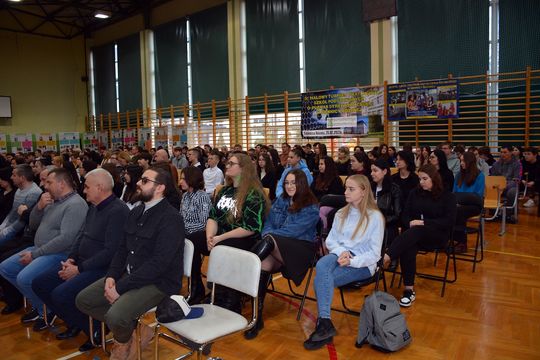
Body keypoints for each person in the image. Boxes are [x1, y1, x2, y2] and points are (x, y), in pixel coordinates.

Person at [76, 167, 185, 359]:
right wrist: (111, 276)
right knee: (84, 300)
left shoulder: (171, 218)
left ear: (160, 188)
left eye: (144, 181)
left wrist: (120, 287)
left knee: (115, 316)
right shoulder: (137, 211)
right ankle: (135, 330)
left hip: (158, 283)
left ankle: (122, 343)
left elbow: (158, 265)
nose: (137, 183)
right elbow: (122, 249)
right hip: (131, 275)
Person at [31, 169, 129, 351]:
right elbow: (81, 237)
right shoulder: (93, 207)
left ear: (100, 188)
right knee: (40, 283)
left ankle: (95, 329)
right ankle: (75, 321)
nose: (84, 190)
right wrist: (71, 259)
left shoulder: (118, 211)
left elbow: (111, 252)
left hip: (103, 269)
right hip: (83, 264)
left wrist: (79, 269)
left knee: (61, 294)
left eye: (87, 186)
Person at [0, 168, 88, 330]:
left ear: (61, 184)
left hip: (59, 253)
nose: (44, 186)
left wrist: (34, 255)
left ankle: (45, 311)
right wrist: (39, 208)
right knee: (6, 268)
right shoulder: (52, 200)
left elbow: (66, 239)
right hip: (40, 248)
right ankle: (41, 305)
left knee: (24, 278)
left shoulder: (75, 204)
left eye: (49, 182)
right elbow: (33, 225)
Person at [304, 175, 384, 350]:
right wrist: (342, 253)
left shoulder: (375, 217)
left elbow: (375, 254)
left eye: (351, 189)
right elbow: (331, 241)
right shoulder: (341, 213)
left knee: (322, 278)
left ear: (363, 192)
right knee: (322, 264)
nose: (345, 192)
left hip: (362, 264)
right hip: (340, 255)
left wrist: (352, 261)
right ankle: (325, 322)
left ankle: (324, 324)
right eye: (346, 188)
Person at [190, 153, 270, 312]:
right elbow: (213, 217)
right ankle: (196, 289)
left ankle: (229, 298)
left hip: (244, 239)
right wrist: (209, 237)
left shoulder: (254, 193)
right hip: (220, 236)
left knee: (223, 247)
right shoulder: (224, 191)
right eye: (227, 163)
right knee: (191, 241)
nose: (227, 165)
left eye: (231, 163)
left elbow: (251, 227)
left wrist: (219, 238)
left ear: (243, 169)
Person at [246, 170, 319, 339]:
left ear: (302, 183)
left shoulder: (311, 207)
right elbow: (268, 223)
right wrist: (269, 236)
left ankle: (243, 271)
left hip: (300, 250)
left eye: (293, 182)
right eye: (287, 183)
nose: (289, 186)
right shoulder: (281, 200)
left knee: (269, 240)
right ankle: (257, 317)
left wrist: (271, 237)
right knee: (264, 264)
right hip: (277, 244)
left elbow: (293, 231)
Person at [383, 164, 457, 307]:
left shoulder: (447, 196)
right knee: (408, 245)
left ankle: (387, 256)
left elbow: (448, 221)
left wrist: (423, 223)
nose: (421, 182)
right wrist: (410, 222)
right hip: (414, 235)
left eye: (425, 179)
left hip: (438, 236)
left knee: (417, 230)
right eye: (420, 178)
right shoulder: (415, 193)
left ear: (434, 179)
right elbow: (405, 215)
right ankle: (408, 290)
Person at [178, 166, 212, 304]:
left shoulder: (202, 197)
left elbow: (204, 223)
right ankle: (195, 289)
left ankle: (196, 289)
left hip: (203, 236)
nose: (180, 181)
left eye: (183, 178)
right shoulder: (185, 196)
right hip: (189, 235)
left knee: (189, 243)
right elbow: (181, 217)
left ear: (192, 179)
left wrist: (184, 229)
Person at [0, 164, 42, 245]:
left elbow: (22, 220)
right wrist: (2, 226)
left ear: (22, 178)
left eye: (14, 175)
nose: (11, 177)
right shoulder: (19, 189)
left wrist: (5, 232)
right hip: (11, 227)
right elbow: (12, 213)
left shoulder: (34, 192)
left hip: (19, 232)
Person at [453, 152, 485, 253]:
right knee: (452, 210)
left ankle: (462, 243)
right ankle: (451, 239)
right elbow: (454, 192)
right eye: (460, 160)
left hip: (474, 206)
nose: (461, 163)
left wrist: (461, 200)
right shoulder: (459, 175)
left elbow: (477, 196)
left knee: (459, 211)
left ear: (469, 162)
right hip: (459, 204)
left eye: (463, 161)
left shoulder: (480, 175)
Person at [371, 159, 402, 249]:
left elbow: (397, 214)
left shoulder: (394, 189)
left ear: (384, 171)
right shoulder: (370, 187)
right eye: (371, 170)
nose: (372, 173)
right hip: (370, 225)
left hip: (387, 226)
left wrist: (380, 221)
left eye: (375, 170)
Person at [490, 145, 521, 218]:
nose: (502, 154)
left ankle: (508, 214)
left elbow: (516, 180)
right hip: (498, 186)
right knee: (490, 189)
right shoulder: (495, 164)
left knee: (512, 192)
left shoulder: (517, 164)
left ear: (510, 153)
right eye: (501, 152)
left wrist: (504, 186)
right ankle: (495, 213)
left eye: (505, 152)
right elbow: (493, 178)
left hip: (510, 186)